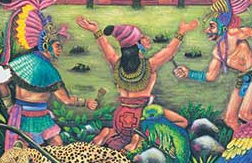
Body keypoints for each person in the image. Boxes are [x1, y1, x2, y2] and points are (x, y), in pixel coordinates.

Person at [173, 0, 252, 139]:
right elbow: (210, 76)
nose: (207, 31)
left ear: (222, 26)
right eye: (207, 27)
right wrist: (188, 73)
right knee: (230, 119)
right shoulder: (218, 52)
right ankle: (245, 145)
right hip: (243, 78)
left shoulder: (232, 34)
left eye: (211, 26)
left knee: (245, 113)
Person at [76, 17, 199, 152]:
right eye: (142, 38)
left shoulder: (117, 64)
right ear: (137, 46)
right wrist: (181, 32)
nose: (146, 38)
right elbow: (169, 52)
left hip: (120, 116)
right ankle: (137, 139)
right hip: (140, 115)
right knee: (183, 122)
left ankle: (107, 133)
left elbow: (106, 48)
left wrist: (96, 31)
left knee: (121, 134)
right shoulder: (149, 65)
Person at [0, 0, 97, 150]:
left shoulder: (22, 61)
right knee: (47, 150)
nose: (60, 50)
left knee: (49, 148)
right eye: (57, 46)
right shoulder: (49, 72)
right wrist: (86, 102)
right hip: (28, 118)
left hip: (28, 116)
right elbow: (66, 100)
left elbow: (1, 83)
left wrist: (9, 106)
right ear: (46, 45)